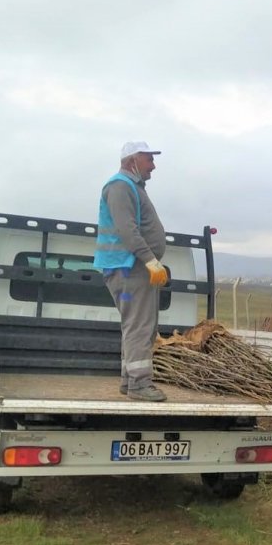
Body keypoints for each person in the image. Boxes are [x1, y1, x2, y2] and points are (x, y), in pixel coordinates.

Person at [94, 141, 170, 402]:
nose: (153, 165)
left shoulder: (130, 187)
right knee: (140, 326)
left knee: (137, 326)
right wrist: (150, 260)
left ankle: (130, 381)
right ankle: (139, 384)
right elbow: (127, 229)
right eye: (149, 159)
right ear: (132, 160)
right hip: (129, 268)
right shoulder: (120, 186)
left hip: (130, 267)